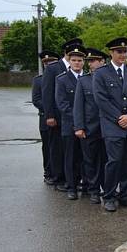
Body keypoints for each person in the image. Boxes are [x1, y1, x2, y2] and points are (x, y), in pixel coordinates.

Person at [93, 37, 127, 212]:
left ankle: (125, 195)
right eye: (119, 51)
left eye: (124, 52)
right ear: (111, 53)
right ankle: (109, 196)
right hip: (112, 126)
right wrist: (119, 118)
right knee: (114, 162)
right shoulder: (101, 73)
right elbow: (101, 99)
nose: (123, 54)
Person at [73, 48, 108, 204]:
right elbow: (78, 106)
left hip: (109, 127)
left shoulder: (110, 78)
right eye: (89, 61)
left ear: (103, 61)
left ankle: (108, 188)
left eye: (94, 60)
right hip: (90, 127)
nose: (90, 64)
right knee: (90, 160)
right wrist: (79, 127)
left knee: (108, 160)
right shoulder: (83, 81)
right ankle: (93, 190)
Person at [55, 44, 87, 199]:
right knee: (71, 157)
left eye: (80, 60)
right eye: (73, 60)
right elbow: (62, 104)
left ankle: (86, 185)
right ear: (69, 60)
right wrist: (78, 120)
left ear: (84, 62)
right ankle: (72, 187)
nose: (77, 63)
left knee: (86, 157)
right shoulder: (61, 80)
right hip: (70, 125)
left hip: (87, 126)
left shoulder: (89, 79)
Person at [41, 40, 74, 188]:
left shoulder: (78, 68)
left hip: (73, 117)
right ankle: (58, 178)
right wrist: (49, 115)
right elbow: (47, 93)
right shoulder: (53, 68)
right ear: (66, 52)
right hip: (57, 117)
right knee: (57, 149)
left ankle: (72, 178)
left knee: (71, 150)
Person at [32, 50, 60, 182]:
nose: (48, 64)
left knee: (59, 147)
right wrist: (50, 110)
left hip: (60, 118)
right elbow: (36, 99)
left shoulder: (61, 77)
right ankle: (48, 172)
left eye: (51, 62)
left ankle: (60, 173)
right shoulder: (38, 80)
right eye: (45, 63)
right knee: (47, 147)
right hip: (45, 118)